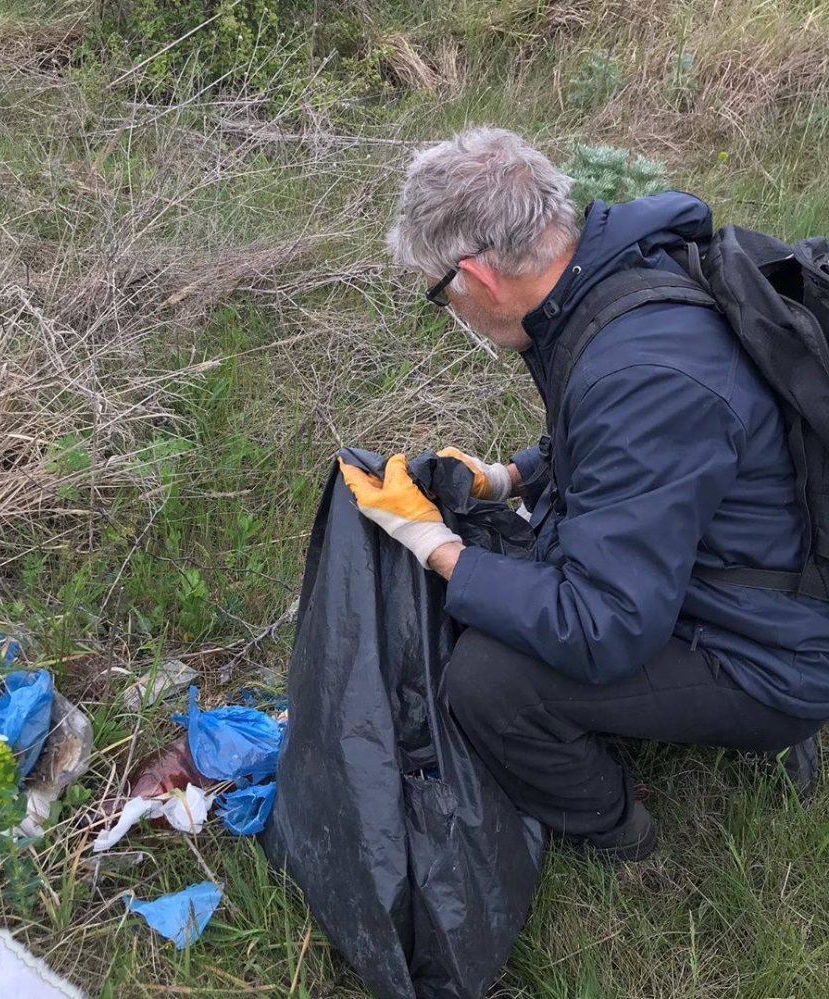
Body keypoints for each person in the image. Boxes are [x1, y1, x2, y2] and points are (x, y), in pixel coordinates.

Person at [337, 127, 829, 861]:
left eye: (442, 295)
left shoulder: (641, 377)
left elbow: (602, 626)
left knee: (487, 682)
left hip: (776, 652)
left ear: (478, 276)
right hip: (757, 569)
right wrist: (507, 477)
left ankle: (617, 836)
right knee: (529, 566)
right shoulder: (615, 275)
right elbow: (627, 452)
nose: (453, 311)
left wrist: (437, 548)